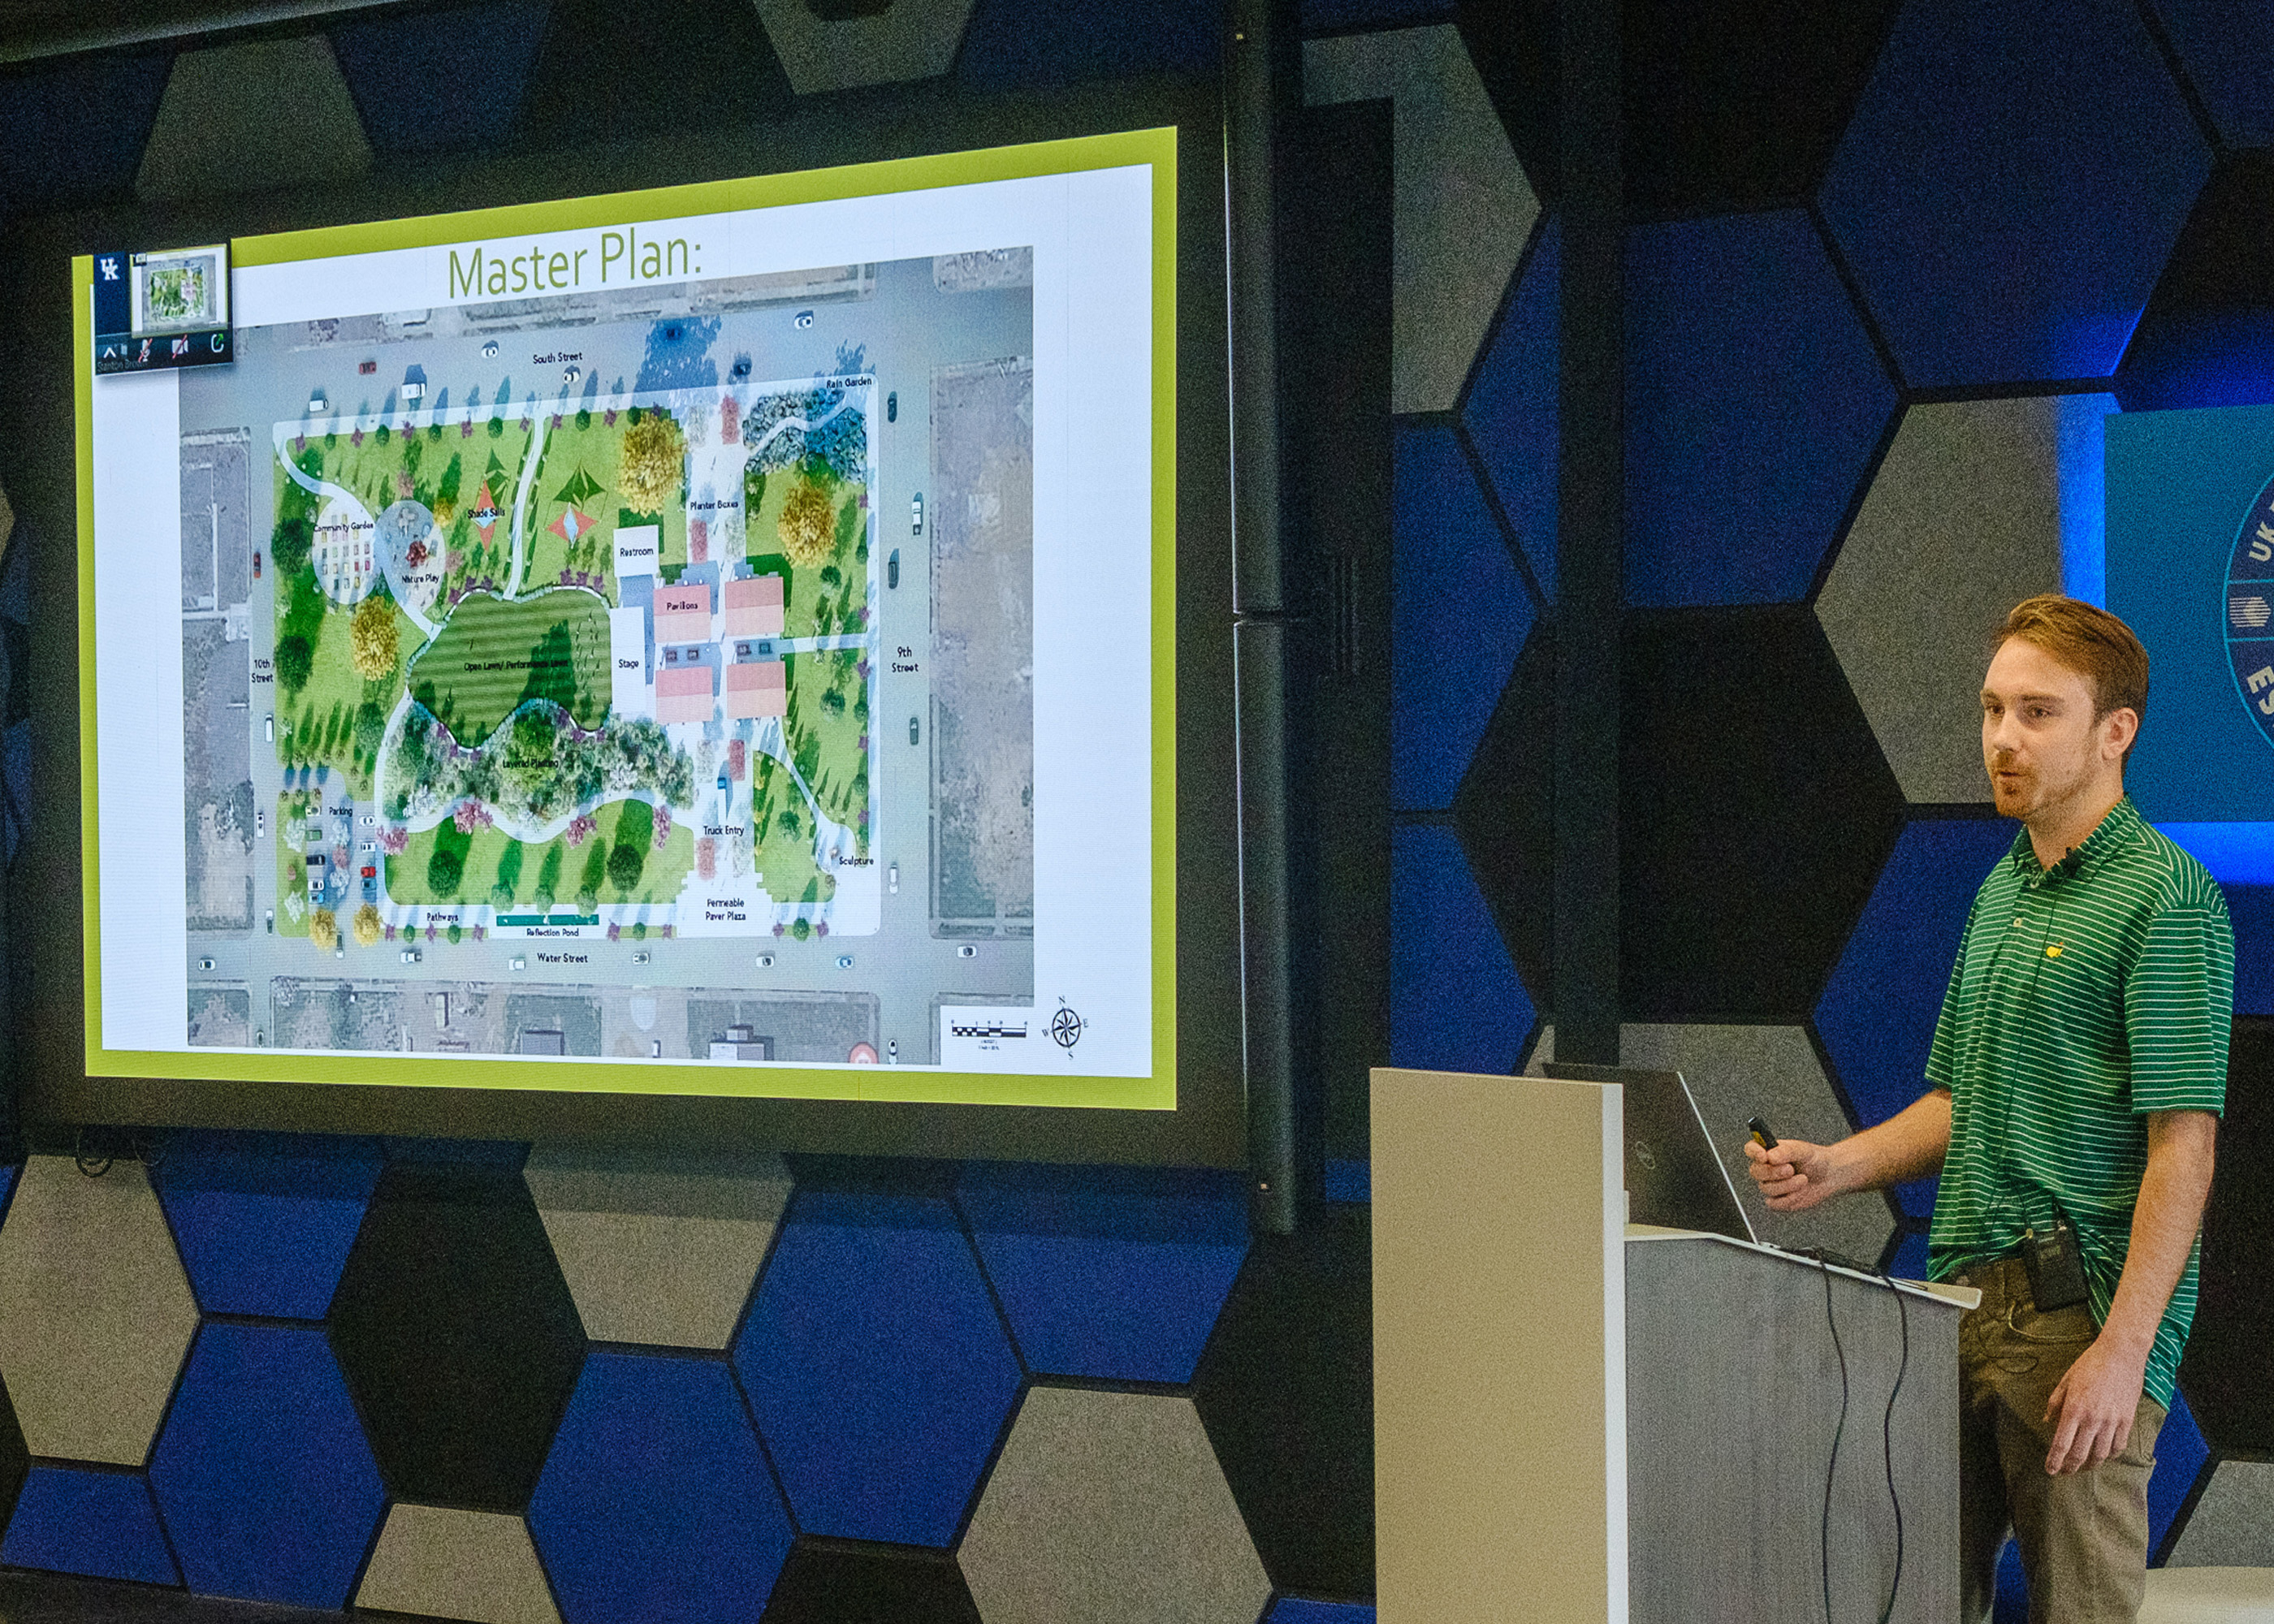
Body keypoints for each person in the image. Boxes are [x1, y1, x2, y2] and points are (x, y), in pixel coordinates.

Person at [1746, 595, 2233, 1624]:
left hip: (2081, 1321)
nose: (2003, 738)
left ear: (2115, 731)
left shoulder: (2166, 898)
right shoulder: (2001, 890)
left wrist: (2123, 1351)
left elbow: (2182, 1147)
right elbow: (1964, 1102)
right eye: (1992, 708)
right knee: (1917, 1598)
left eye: (2037, 712)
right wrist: (1836, 1166)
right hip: (1962, 1303)